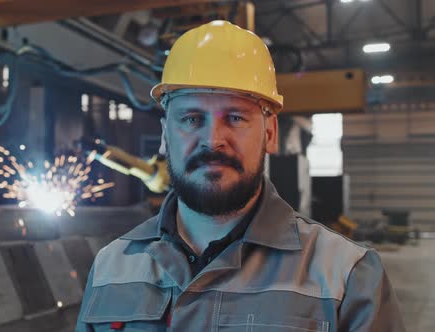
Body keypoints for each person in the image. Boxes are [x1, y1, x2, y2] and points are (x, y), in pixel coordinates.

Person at [76, 20, 405, 331]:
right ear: (165, 135)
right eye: (191, 119)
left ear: (270, 132)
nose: (212, 140)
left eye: (234, 117)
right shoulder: (111, 267)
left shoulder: (348, 276)